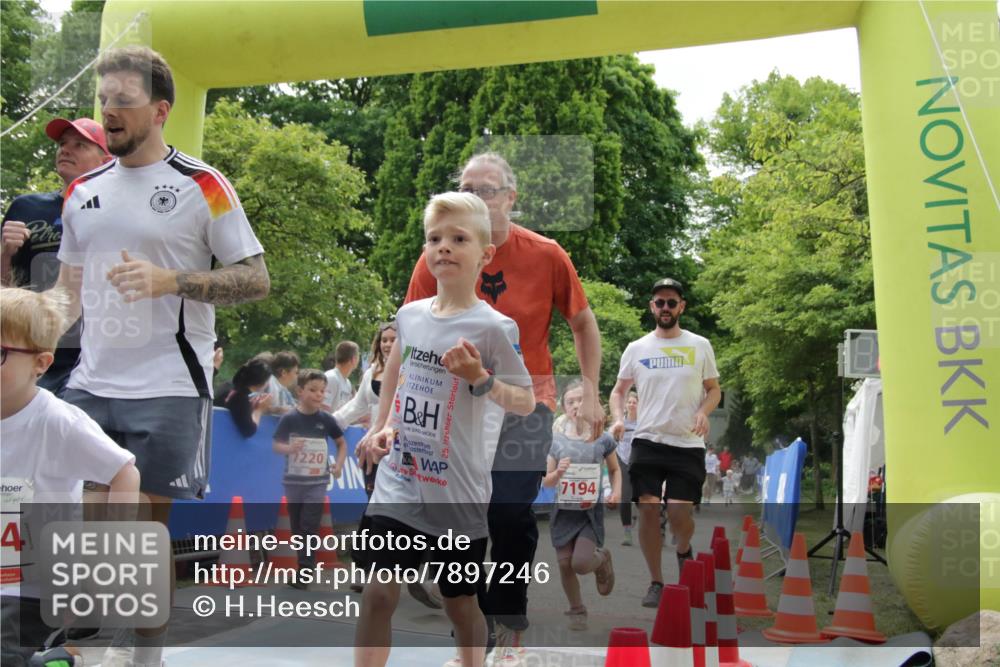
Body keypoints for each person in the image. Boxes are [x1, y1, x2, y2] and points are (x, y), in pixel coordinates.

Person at [50, 46, 269, 666]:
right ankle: (77, 639)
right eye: (104, 100)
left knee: (144, 535)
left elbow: (255, 279)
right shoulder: (81, 192)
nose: (110, 111)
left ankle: (145, 655)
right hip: (91, 383)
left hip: (171, 386)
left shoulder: (204, 185)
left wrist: (171, 280)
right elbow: (65, 296)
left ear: (161, 110)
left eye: (124, 100)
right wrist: (23, 330)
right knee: (85, 525)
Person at [404, 152, 602, 659]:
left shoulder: (546, 254)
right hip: (457, 407)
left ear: (511, 198)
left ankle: (507, 611)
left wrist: (591, 388)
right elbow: (411, 330)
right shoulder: (437, 257)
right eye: (467, 189)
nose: (476, 197)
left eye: (487, 190)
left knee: (509, 512)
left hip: (524, 402)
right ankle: (470, 626)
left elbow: (582, 322)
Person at [355, 192, 535, 667]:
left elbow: (525, 400)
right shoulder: (410, 316)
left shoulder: (495, 327)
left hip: (457, 490)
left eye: (459, 238)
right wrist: (381, 426)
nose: (444, 248)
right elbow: (395, 372)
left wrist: (480, 378)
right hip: (399, 480)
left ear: (485, 254)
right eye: (435, 239)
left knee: (459, 603)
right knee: (378, 593)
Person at [0, 287, 140, 666]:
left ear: (41, 363)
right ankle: (58, 660)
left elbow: (123, 472)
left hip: (34, 587)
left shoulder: (58, 422)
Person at [609, 278, 721, 608]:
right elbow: (618, 391)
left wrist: (703, 411)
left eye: (672, 302)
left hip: (687, 443)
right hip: (647, 439)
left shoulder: (699, 345)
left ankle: (684, 550)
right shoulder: (637, 348)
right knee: (647, 508)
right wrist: (618, 418)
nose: (666, 307)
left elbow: (714, 389)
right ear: (652, 307)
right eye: (660, 302)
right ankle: (656, 581)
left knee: (678, 513)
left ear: (681, 307)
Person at [1, 117, 112, 395]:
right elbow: (4, 287)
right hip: (29, 348)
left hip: (97, 357)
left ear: (106, 160)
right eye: (62, 143)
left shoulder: (118, 215)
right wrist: (5, 253)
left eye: (80, 145)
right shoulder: (26, 207)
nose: (65, 149)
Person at [542, 380, 620, 631]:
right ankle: (577, 608)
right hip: (563, 513)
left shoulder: (602, 438)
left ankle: (602, 558)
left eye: (581, 400)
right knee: (565, 564)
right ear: (564, 407)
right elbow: (547, 480)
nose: (576, 405)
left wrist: (616, 492)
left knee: (581, 563)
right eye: (570, 401)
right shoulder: (555, 441)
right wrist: (557, 473)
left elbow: (615, 469)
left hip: (588, 513)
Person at [273, 369, 347, 588]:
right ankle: (303, 566)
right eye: (313, 390)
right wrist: (289, 448)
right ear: (300, 391)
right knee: (297, 527)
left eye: (322, 391)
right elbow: (276, 445)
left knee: (309, 525)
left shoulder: (326, 419)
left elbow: (341, 443)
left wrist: (339, 464)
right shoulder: (289, 419)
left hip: (317, 482)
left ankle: (304, 571)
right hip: (293, 482)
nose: (319, 395)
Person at [223, 358, 273, 438]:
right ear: (261, 383)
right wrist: (259, 410)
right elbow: (249, 430)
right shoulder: (241, 398)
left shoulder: (239, 391)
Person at [617, 391, 639, 546]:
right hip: (623, 461)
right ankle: (627, 532)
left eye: (634, 402)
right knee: (625, 498)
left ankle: (637, 516)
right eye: (629, 402)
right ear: (625, 405)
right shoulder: (620, 423)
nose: (631, 405)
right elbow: (612, 441)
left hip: (639, 463)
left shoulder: (643, 424)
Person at [323, 340, 360, 413]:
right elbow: (323, 410)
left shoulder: (347, 383)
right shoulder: (331, 378)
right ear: (353, 359)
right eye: (358, 356)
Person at [265, 351, 299, 415]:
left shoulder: (283, 389)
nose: (296, 376)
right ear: (284, 373)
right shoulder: (269, 383)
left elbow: (294, 406)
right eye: (295, 372)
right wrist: (276, 410)